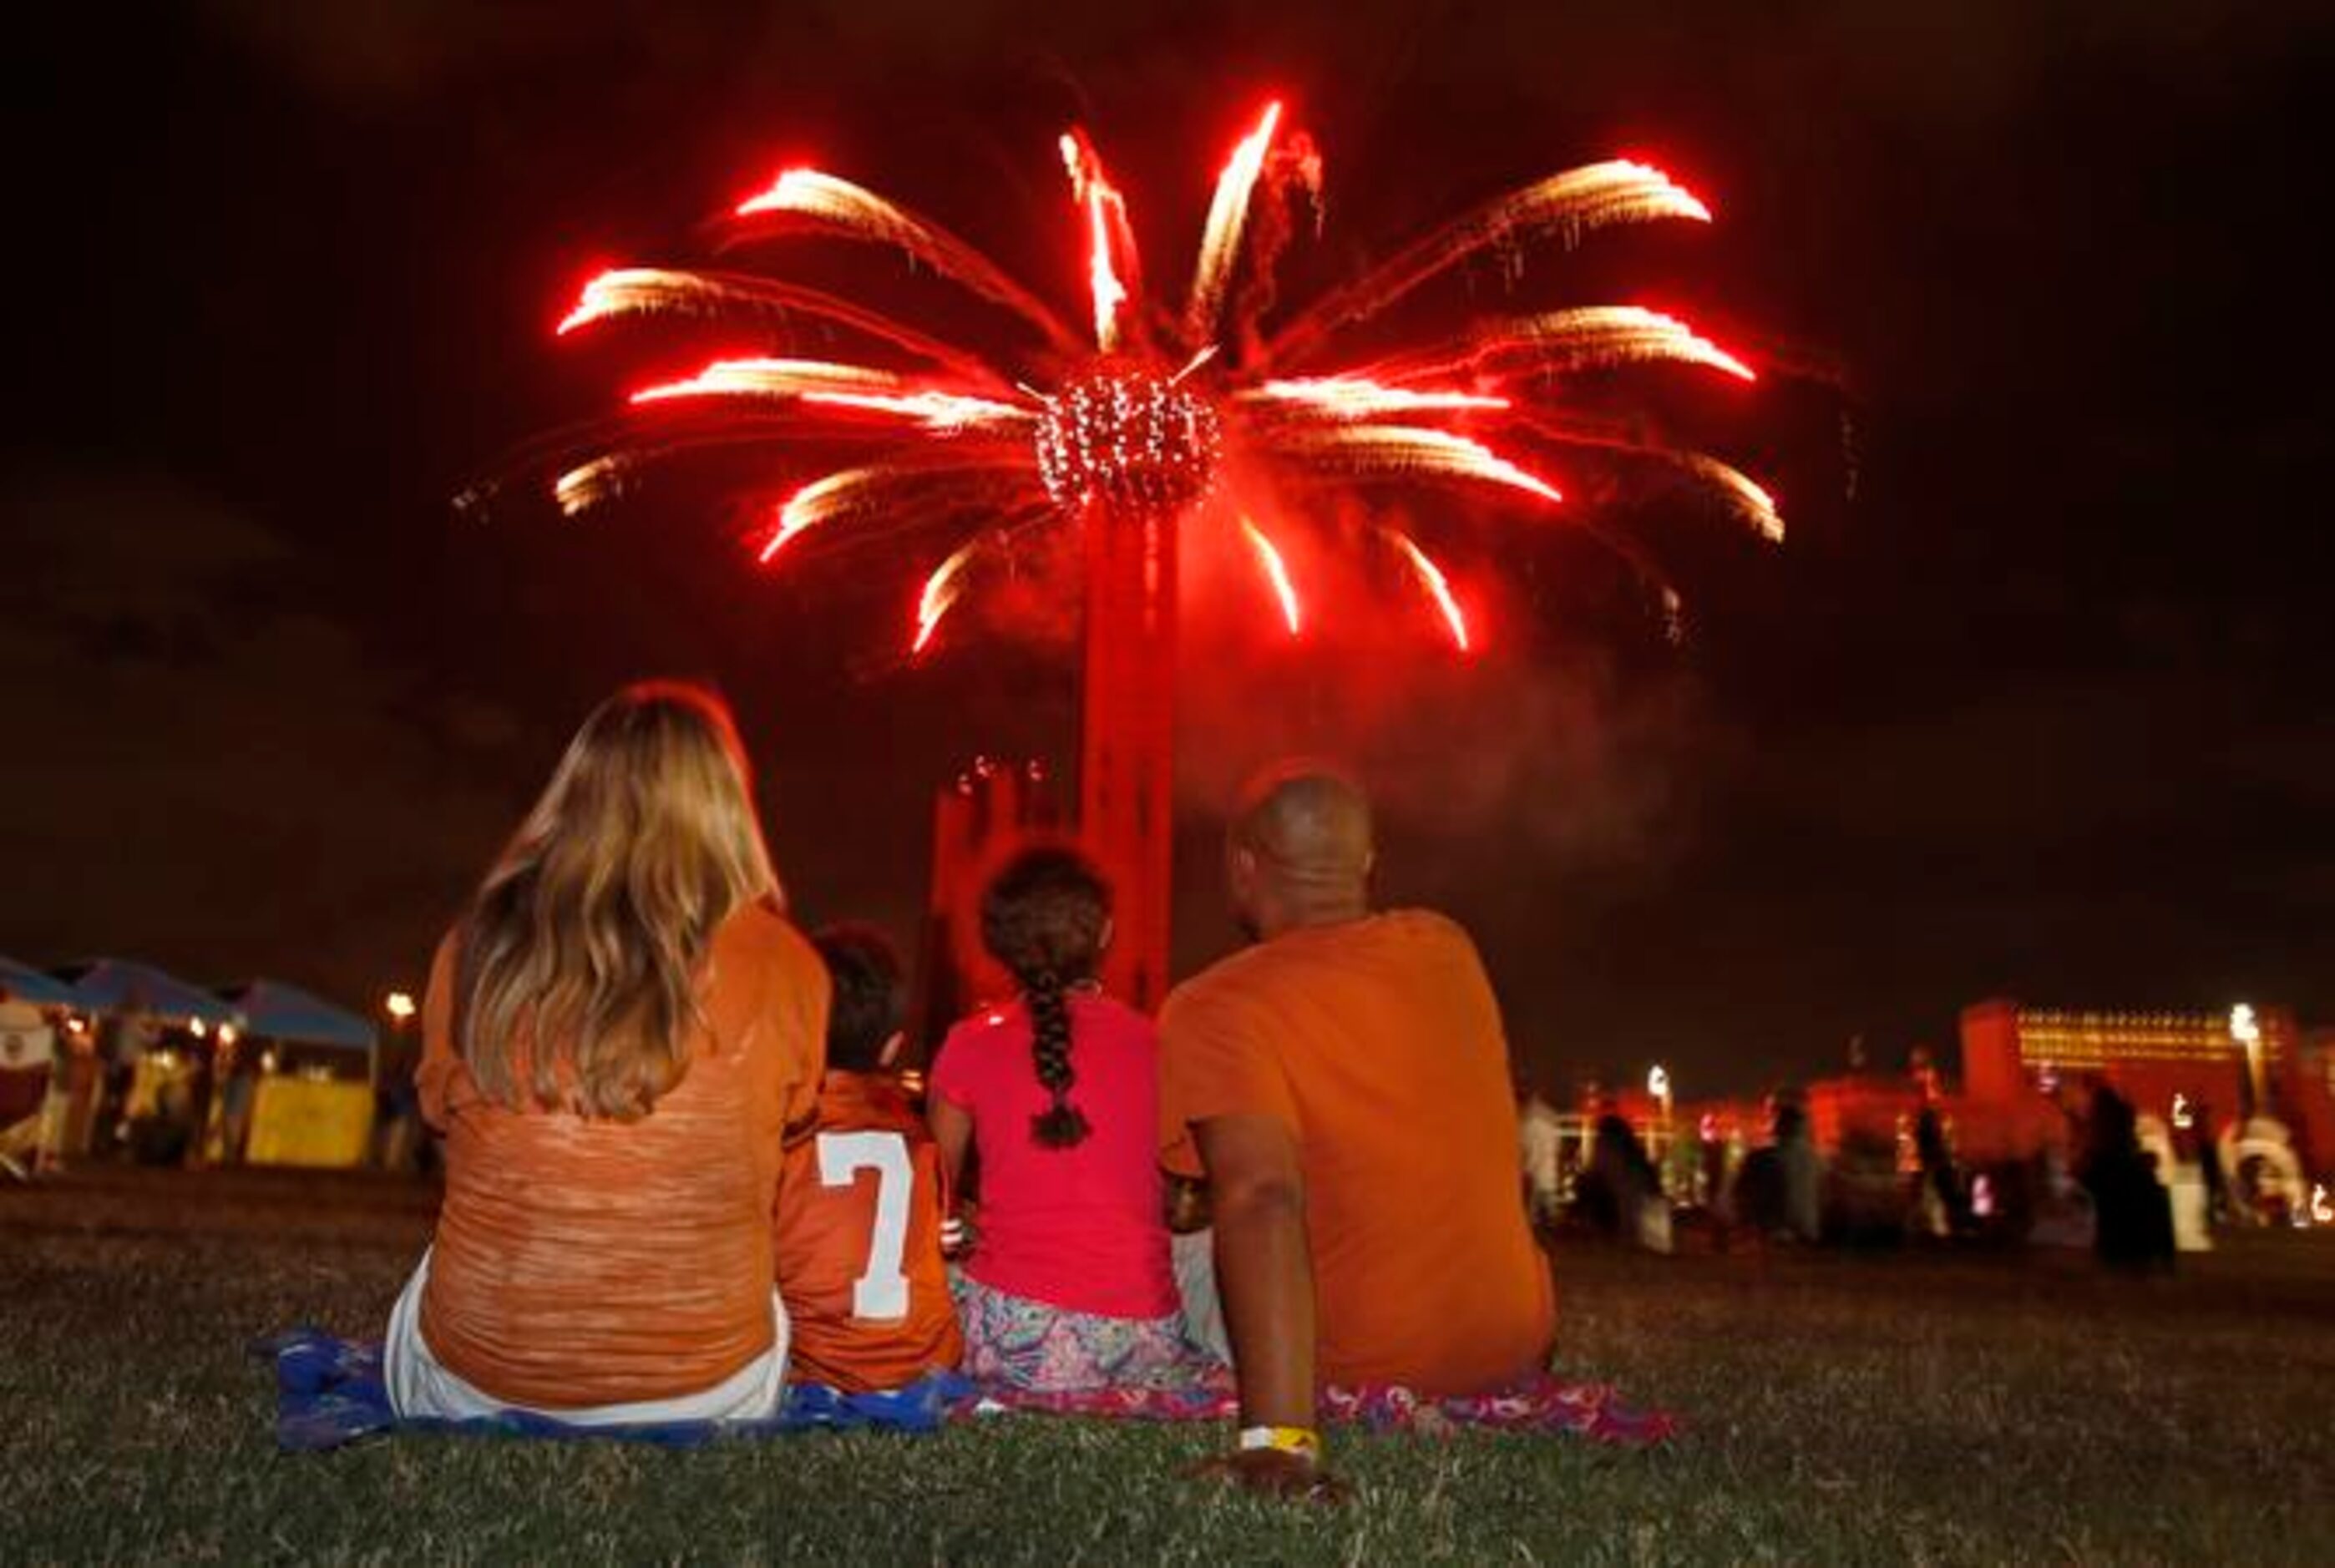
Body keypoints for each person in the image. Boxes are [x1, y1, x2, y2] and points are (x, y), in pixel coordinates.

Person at [384, 681, 828, 1425]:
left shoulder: (476, 945)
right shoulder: (791, 964)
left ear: (576, 792)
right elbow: (789, 1124)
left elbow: (440, 1120)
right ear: (726, 803)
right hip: (708, 1391)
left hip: (477, 1386)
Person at [1159, 766, 1556, 1500]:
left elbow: (1261, 1196)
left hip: (1359, 1353)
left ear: (1244, 867)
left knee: (1148, 1260)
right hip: (1513, 1341)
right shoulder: (1447, 948)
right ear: (1366, 864)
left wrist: (1277, 1441)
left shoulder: (1216, 1006)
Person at [928, 845, 1208, 1393]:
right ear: (1105, 934)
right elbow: (1182, 1182)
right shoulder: (1157, 1043)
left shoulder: (968, 1044)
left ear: (999, 945)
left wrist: (973, 1221)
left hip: (1013, 1343)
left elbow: (930, 1195)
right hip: (1143, 1339)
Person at [773, 925, 962, 1393]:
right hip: (923, 1365)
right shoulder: (919, 1137)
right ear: (892, 1047)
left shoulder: (784, 1132)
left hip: (816, 1369)